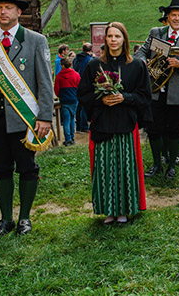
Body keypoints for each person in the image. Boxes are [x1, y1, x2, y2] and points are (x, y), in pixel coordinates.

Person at [0, 0, 54, 236]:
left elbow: (45, 82)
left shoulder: (35, 40)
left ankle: (25, 218)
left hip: (24, 119)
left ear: (19, 11)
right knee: (0, 168)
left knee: (27, 168)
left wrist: (45, 117)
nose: (2, 12)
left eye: (8, 7)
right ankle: (5, 218)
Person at [77, 22, 152, 225]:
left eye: (117, 36)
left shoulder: (136, 65)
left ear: (124, 40)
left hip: (126, 124)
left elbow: (144, 96)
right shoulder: (94, 65)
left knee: (125, 168)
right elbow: (83, 93)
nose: (113, 40)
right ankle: (108, 209)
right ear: (105, 40)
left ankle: (125, 209)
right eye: (109, 36)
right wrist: (100, 99)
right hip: (103, 123)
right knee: (105, 169)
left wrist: (125, 97)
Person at [134, 0, 179, 180]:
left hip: (177, 93)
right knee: (154, 129)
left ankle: (171, 166)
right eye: (174, 15)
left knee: (174, 129)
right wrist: (144, 62)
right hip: (155, 90)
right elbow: (141, 52)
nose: (177, 18)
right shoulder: (156, 32)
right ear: (168, 16)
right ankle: (156, 164)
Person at [54, 56, 81, 146]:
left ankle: (68, 139)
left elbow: (56, 89)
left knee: (66, 119)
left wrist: (59, 95)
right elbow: (79, 87)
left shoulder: (59, 76)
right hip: (73, 98)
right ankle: (72, 137)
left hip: (64, 99)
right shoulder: (76, 74)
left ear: (62, 66)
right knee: (72, 118)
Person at [73, 43, 94, 132]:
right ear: (91, 50)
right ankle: (84, 125)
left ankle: (78, 125)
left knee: (79, 105)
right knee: (85, 105)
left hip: (77, 82)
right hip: (85, 83)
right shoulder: (89, 59)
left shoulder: (76, 58)